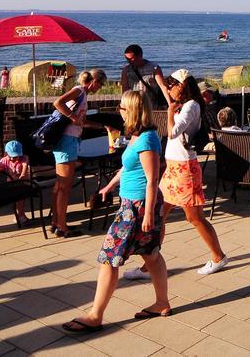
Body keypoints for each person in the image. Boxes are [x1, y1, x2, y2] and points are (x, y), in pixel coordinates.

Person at [62, 90, 169, 334]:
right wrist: (111, 184)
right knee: (150, 255)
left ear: (132, 110)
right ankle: (162, 303)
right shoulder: (137, 135)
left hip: (138, 208)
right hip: (132, 204)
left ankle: (95, 315)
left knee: (109, 258)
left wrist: (150, 215)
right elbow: (128, 166)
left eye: (121, 106)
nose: (118, 110)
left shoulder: (147, 139)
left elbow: (153, 180)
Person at [127, 74, 228, 280]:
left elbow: (173, 132)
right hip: (173, 168)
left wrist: (170, 112)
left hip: (185, 168)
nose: (170, 88)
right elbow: (166, 94)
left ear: (182, 86)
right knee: (159, 215)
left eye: (173, 85)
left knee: (194, 217)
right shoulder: (182, 103)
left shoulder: (191, 105)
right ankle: (151, 264)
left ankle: (219, 257)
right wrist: (160, 80)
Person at [49, 69, 106, 238]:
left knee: (60, 185)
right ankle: (62, 225)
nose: (100, 88)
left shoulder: (82, 94)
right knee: (64, 186)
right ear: (94, 81)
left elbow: (82, 120)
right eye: (101, 84)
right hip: (67, 140)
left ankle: (56, 221)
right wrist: (72, 116)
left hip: (70, 140)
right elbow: (58, 103)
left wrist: (102, 127)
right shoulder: (79, 90)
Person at [121, 44, 168, 109]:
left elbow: (162, 86)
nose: (129, 61)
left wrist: (170, 103)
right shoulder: (126, 70)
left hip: (151, 106)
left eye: (131, 59)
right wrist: (123, 105)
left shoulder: (154, 68)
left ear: (140, 55)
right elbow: (125, 90)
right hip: (133, 107)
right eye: (127, 59)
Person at [0, 140, 31, 227]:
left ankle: (20, 214)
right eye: (10, 156)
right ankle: (20, 215)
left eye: (15, 156)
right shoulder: (4, 160)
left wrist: (23, 174)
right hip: (11, 184)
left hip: (23, 183)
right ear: (6, 153)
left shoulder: (24, 158)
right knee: (16, 198)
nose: (12, 158)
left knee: (20, 197)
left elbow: (25, 167)